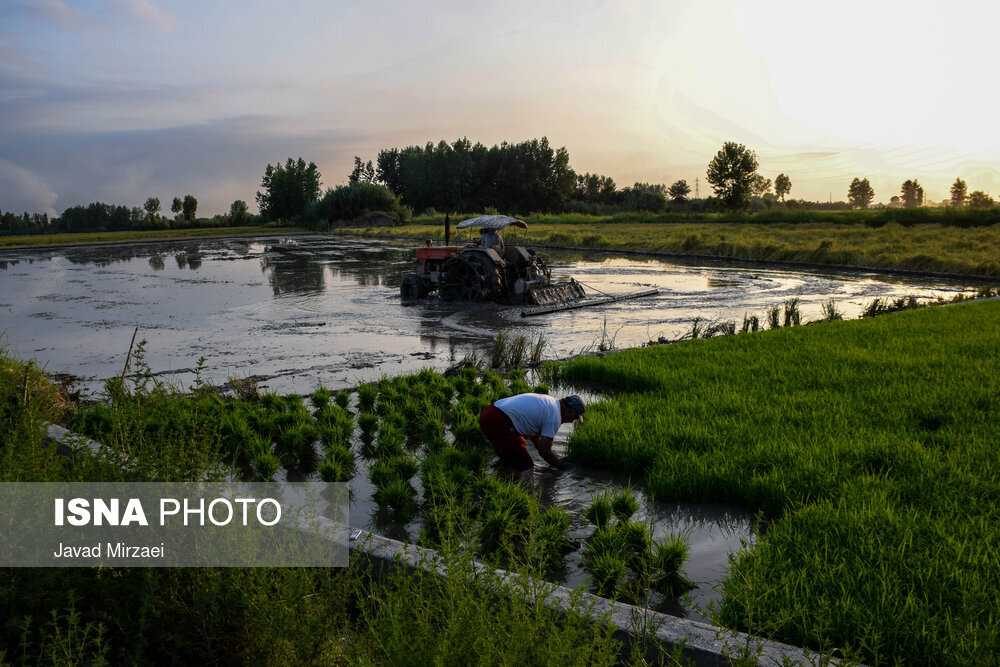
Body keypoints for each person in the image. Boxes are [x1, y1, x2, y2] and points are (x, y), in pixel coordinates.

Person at [478, 393, 585, 471]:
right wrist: (560, 466)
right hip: (498, 421)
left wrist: (552, 457)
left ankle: (502, 475)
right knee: (526, 465)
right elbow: (544, 450)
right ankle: (523, 494)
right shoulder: (555, 417)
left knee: (513, 453)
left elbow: (536, 439)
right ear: (569, 410)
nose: (572, 421)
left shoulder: (550, 402)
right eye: (575, 417)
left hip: (489, 412)